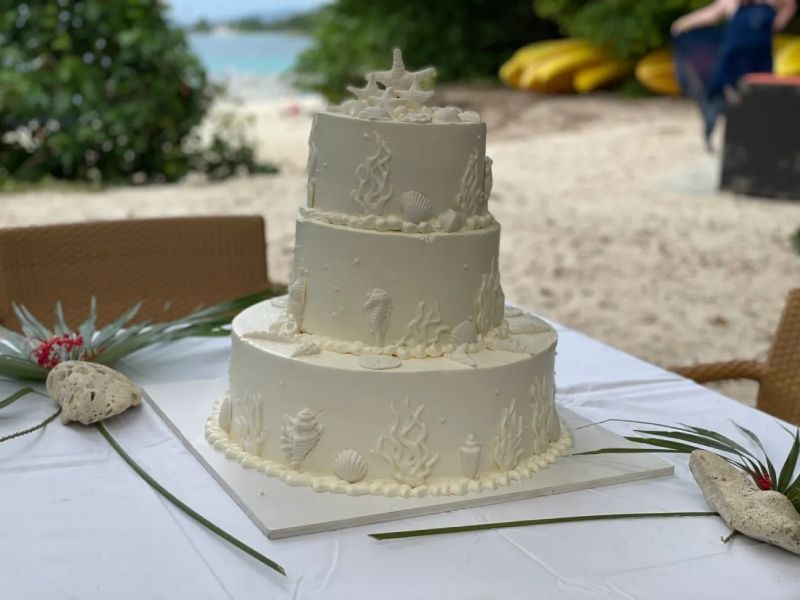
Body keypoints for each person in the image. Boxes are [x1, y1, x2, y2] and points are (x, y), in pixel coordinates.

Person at [670, 0, 797, 149]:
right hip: (734, 55)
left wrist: (777, 24)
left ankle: (757, 139)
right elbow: (712, 14)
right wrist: (685, 22)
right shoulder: (733, 2)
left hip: (760, 55)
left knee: (761, 96)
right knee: (720, 92)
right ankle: (714, 131)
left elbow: (790, 6)